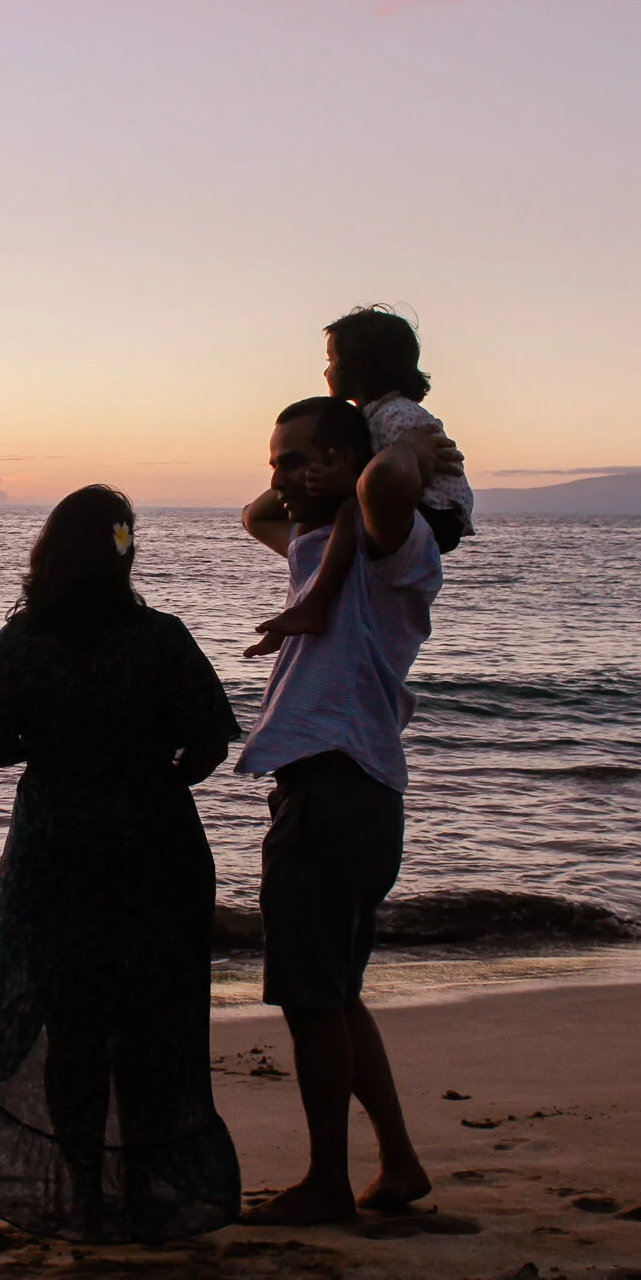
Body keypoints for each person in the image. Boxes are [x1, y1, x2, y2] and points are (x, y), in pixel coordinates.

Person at [0, 485, 244, 1243]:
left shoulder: (30, 641)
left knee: (71, 1027)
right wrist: (148, 774)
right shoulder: (164, 638)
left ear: (49, 554)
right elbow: (209, 746)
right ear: (126, 552)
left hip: (58, 843)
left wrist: (49, 753)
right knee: (148, 1024)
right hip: (156, 843)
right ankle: (141, 1190)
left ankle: (84, 1190)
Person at [234, 397, 445, 1225]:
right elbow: (255, 513)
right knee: (337, 993)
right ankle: (398, 1161)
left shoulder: (393, 549)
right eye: (278, 458)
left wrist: (401, 442)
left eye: (296, 458)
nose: (280, 477)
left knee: (312, 999)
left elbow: (389, 481)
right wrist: (310, 476)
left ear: (346, 460)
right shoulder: (322, 546)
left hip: (338, 785)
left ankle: (328, 1180)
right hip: (338, 789)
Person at [251, 307, 471, 651]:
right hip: (419, 509)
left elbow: (383, 479)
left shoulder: (396, 415)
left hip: (435, 513)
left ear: (360, 366)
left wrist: (345, 484)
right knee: (349, 509)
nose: (326, 370)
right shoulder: (373, 415)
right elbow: (255, 515)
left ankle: (315, 603)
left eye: (332, 360)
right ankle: (309, 603)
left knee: (350, 509)